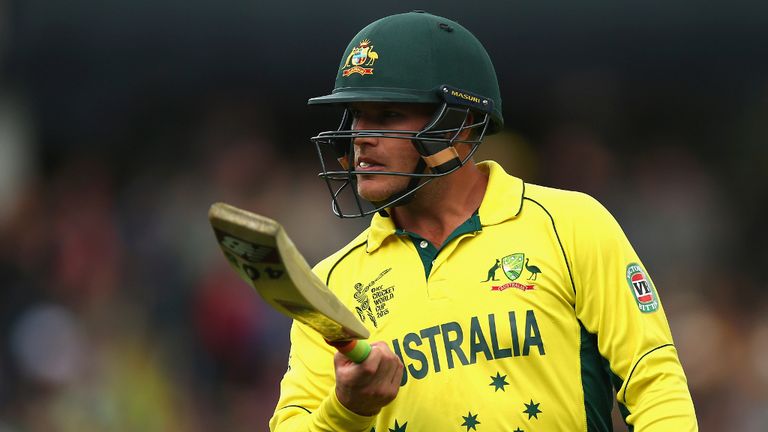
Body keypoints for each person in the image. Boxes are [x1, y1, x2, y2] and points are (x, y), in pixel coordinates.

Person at [269, 11, 698, 431]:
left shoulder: (570, 225)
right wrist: (347, 410)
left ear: (460, 123)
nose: (361, 136)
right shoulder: (330, 283)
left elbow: (654, 380)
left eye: (388, 115)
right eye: (356, 115)